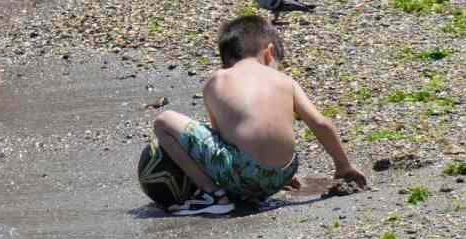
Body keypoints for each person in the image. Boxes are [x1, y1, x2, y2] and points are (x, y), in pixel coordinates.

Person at [152, 15, 366, 216]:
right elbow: (321, 123)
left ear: (227, 59)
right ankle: (264, 179)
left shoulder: (218, 80)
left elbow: (220, 138)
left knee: (164, 121)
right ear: (269, 52)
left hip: (239, 173)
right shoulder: (286, 81)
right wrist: (343, 165)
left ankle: (213, 196)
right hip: (283, 172)